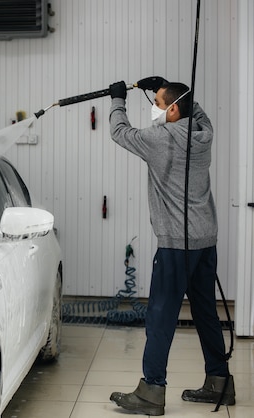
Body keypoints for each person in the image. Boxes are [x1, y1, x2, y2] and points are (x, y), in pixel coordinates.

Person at [106, 78, 234, 416]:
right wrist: (166, 85)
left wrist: (118, 100)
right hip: (205, 241)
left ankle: (151, 391)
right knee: (205, 310)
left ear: (173, 109)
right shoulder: (204, 134)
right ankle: (219, 382)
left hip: (177, 244)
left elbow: (120, 132)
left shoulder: (161, 138)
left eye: (160, 102)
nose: (155, 109)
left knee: (161, 314)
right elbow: (198, 112)